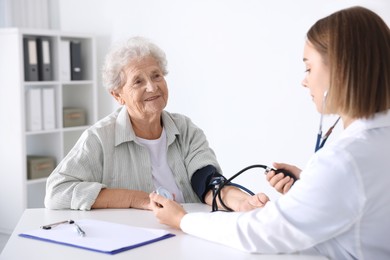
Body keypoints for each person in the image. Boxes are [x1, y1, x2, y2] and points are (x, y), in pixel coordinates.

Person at [150, 6, 390, 259]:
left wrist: (183, 220)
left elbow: (264, 232)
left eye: (308, 68)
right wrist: (310, 186)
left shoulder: (344, 161)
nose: (304, 81)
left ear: (341, 70)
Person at [45, 37, 260, 211]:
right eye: (138, 81)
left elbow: (207, 182)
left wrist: (243, 202)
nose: (152, 87)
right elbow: (56, 192)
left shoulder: (185, 129)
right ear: (118, 95)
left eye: (156, 76)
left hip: (188, 234)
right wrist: (138, 199)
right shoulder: (100, 138)